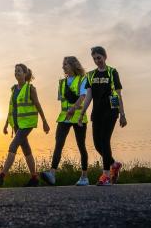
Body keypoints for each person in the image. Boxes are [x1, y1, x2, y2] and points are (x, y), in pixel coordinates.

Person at [0, 64, 50, 187]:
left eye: (19, 71)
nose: (16, 72)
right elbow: (12, 108)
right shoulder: (14, 89)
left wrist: (44, 121)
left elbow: (38, 105)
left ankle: (1, 176)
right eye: (15, 71)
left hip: (27, 124)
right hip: (17, 124)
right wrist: (6, 124)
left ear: (25, 73)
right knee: (26, 150)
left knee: (13, 146)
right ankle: (34, 178)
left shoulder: (30, 89)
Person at [78, 46, 127, 186]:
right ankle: (114, 164)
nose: (97, 60)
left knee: (105, 140)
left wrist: (122, 114)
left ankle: (105, 175)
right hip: (97, 112)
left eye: (99, 57)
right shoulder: (91, 75)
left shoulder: (112, 72)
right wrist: (81, 113)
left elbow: (117, 94)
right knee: (97, 144)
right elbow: (88, 96)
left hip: (111, 110)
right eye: (94, 59)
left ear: (105, 57)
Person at [40, 57, 89, 186]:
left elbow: (83, 96)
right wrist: (68, 110)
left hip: (78, 116)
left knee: (81, 146)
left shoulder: (82, 79)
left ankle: (84, 176)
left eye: (66, 64)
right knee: (59, 144)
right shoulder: (61, 83)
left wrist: (73, 108)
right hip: (64, 117)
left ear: (73, 65)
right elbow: (62, 100)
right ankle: (52, 173)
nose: (63, 67)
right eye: (63, 64)